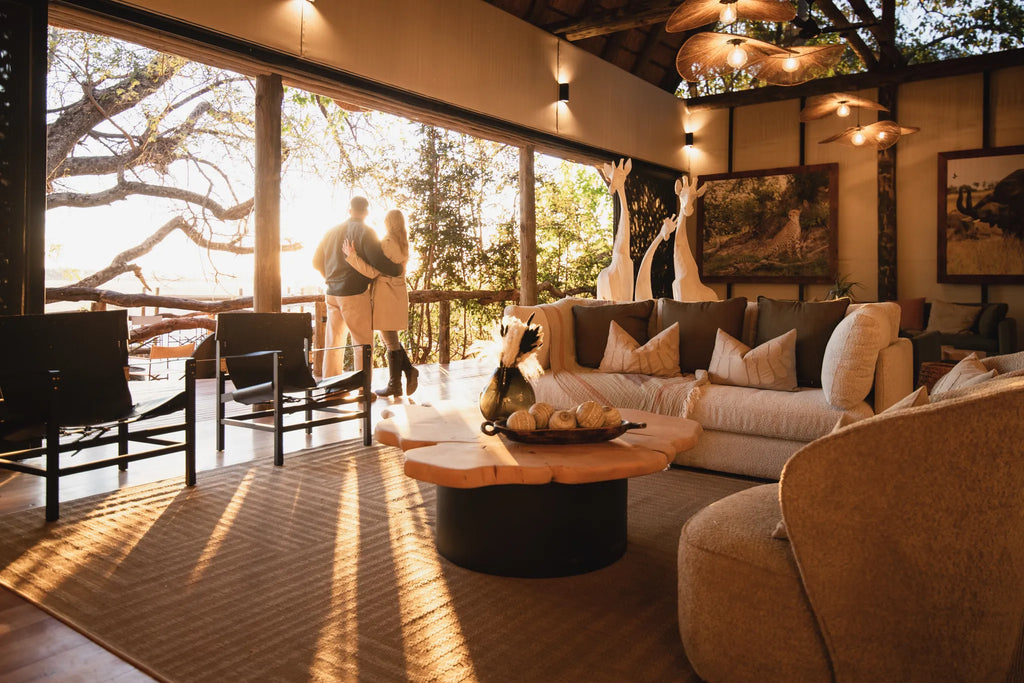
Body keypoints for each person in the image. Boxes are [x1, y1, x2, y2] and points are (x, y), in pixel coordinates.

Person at [312, 197, 402, 378]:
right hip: (353, 293)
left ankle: (333, 387)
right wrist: (398, 268)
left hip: (331, 294)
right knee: (362, 344)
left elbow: (315, 261)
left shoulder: (331, 232)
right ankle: (363, 389)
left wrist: (331, 278)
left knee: (334, 343)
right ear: (366, 212)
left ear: (350, 210)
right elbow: (378, 261)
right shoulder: (365, 232)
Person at [342, 208, 419, 397]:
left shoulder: (387, 243)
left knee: (390, 341)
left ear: (388, 223)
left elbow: (372, 271)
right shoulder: (403, 242)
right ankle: (403, 378)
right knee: (391, 339)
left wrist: (352, 256)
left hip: (386, 296)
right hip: (396, 294)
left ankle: (398, 381)